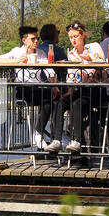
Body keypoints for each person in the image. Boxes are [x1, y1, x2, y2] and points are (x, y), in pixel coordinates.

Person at [64, 21, 105, 154]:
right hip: (78, 88)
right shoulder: (71, 54)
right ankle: (57, 140)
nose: (73, 40)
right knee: (59, 102)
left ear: (83, 35)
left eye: (76, 36)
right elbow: (71, 76)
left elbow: (103, 67)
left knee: (77, 104)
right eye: (71, 37)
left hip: (95, 89)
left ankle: (77, 140)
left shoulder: (94, 47)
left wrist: (90, 59)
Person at [7, 27, 46, 149]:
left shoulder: (41, 53)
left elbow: (49, 71)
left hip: (39, 89)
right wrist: (16, 61)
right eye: (33, 39)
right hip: (24, 90)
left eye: (37, 38)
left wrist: (54, 84)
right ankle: (40, 135)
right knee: (48, 95)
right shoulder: (17, 52)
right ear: (24, 40)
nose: (36, 41)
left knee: (54, 99)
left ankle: (40, 133)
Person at [34, 24, 67, 152]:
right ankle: (57, 137)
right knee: (58, 102)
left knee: (49, 102)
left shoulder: (38, 49)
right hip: (55, 89)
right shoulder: (58, 50)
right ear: (54, 35)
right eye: (58, 32)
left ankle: (40, 135)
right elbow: (65, 72)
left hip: (38, 89)